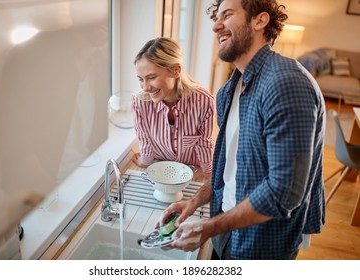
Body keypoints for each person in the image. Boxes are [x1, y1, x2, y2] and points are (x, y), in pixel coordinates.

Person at [158, 0, 326, 260]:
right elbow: (230, 169)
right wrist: (193, 203)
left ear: (259, 21)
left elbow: (284, 193)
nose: (216, 26)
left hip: (263, 242)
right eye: (216, 17)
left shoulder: (286, 83)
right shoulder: (229, 90)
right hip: (226, 226)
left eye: (227, 15)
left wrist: (209, 227)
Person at [132, 37, 215, 175]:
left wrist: (208, 173)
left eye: (152, 77)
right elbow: (145, 138)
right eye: (141, 79)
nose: (145, 87)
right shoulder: (139, 102)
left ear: (175, 70)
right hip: (159, 168)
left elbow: (204, 143)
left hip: (190, 170)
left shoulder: (204, 101)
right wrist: (145, 161)